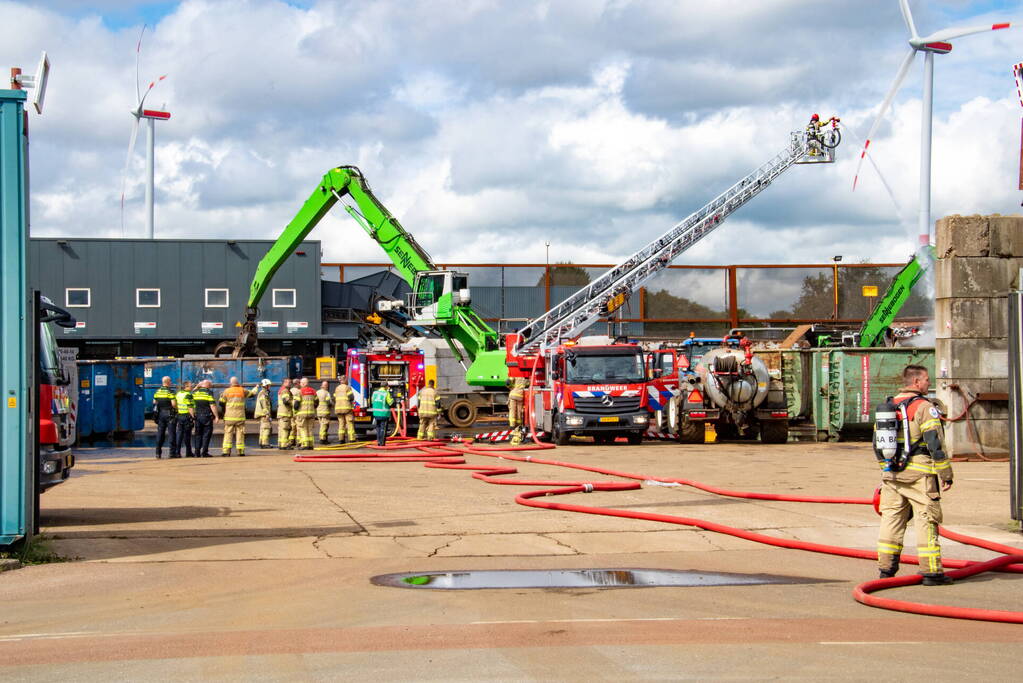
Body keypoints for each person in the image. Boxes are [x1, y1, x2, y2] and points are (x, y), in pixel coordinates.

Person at [875, 365, 954, 585]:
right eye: (927, 380)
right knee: (926, 519)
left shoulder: (888, 406)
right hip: (920, 474)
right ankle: (931, 572)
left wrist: (886, 467)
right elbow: (935, 443)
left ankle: (885, 569)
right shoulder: (924, 407)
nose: (929, 384)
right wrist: (945, 473)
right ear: (917, 382)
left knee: (891, 519)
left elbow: (876, 444)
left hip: (891, 474)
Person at [219, 376, 257, 456]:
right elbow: (252, 394)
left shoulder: (226, 391)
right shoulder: (242, 390)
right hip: (240, 416)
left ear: (231, 383)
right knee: (240, 433)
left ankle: (226, 452)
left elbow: (221, 403)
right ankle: (240, 451)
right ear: (238, 383)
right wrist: (256, 388)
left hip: (229, 416)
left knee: (228, 433)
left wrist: (224, 413)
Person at [191, 380, 219, 458]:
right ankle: (204, 452)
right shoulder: (209, 393)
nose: (211, 386)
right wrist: (216, 416)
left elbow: (190, 395)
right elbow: (212, 406)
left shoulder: (195, 392)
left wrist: (197, 386)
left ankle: (197, 453)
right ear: (208, 385)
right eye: (210, 385)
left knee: (198, 434)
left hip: (197, 416)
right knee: (206, 435)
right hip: (207, 417)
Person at [152, 376, 177, 459]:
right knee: (171, 434)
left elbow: (154, 402)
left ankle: (158, 453)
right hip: (169, 414)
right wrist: (176, 409)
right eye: (170, 381)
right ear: (168, 382)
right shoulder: (170, 392)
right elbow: (173, 404)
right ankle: (172, 453)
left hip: (160, 414)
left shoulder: (157, 391)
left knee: (160, 433)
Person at [171, 380, 195, 458]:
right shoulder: (188, 395)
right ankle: (188, 452)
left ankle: (177, 452)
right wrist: (193, 417)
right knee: (187, 435)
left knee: (179, 435)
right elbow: (190, 407)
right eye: (191, 386)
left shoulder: (179, 394)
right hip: (187, 416)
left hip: (180, 415)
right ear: (186, 387)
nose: (192, 387)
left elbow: (174, 404)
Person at [333, 375, 356, 444]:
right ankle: (352, 439)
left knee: (341, 424)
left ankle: (341, 439)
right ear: (345, 380)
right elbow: (351, 397)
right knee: (349, 423)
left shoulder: (337, 388)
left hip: (338, 409)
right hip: (346, 408)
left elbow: (334, 398)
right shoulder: (347, 388)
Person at [296, 377, 317, 450]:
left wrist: (296, 411)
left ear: (304, 383)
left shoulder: (300, 391)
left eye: (301, 383)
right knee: (310, 429)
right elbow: (317, 402)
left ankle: (305, 444)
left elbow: (296, 404)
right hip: (311, 413)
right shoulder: (313, 391)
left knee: (303, 429)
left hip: (302, 414)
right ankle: (310, 445)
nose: (300, 384)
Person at [253, 379, 274, 448]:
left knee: (263, 428)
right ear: (266, 386)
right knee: (266, 428)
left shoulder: (263, 393)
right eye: (269, 385)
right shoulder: (263, 394)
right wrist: (267, 414)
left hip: (263, 414)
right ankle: (265, 443)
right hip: (264, 414)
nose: (270, 386)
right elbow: (264, 404)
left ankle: (262, 442)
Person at [276, 378, 295, 450]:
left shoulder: (282, 390)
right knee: (286, 429)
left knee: (282, 429)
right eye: (288, 382)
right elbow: (286, 401)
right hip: (285, 413)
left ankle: (281, 444)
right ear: (284, 383)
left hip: (282, 413)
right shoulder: (285, 390)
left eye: (290, 382)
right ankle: (284, 445)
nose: (290, 383)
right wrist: (294, 403)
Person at [508, 376, 528, 444]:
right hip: (520, 396)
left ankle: (512, 427)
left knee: (512, 412)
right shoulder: (525, 377)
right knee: (519, 413)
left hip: (513, 394)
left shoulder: (515, 374)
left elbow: (508, 382)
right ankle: (518, 427)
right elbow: (528, 383)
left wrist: (510, 387)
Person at [316, 380, 333, 445]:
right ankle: (322, 439)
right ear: (326, 386)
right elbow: (329, 402)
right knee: (324, 425)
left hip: (318, 411)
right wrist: (332, 405)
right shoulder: (326, 393)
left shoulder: (317, 392)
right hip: (325, 411)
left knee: (321, 425)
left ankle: (323, 438)